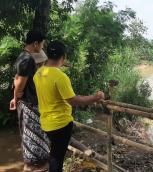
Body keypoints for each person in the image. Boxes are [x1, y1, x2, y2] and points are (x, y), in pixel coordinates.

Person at [33, 40, 105, 172]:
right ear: (63, 57)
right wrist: (96, 97)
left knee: (55, 152)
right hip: (60, 124)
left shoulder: (38, 73)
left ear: (48, 55)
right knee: (57, 157)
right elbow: (73, 100)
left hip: (46, 123)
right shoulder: (60, 77)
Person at [9, 31, 49, 172]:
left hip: (27, 103)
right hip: (30, 104)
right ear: (36, 43)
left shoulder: (23, 56)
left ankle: (33, 164)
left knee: (30, 135)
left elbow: (17, 79)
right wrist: (15, 98)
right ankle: (33, 166)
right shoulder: (27, 59)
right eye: (42, 43)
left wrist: (15, 99)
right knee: (32, 137)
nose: (42, 47)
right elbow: (19, 84)